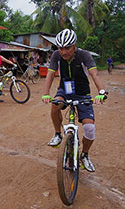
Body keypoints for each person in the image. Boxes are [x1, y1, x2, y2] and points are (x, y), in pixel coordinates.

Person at [41, 29, 107, 172]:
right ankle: (58, 134)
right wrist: (46, 93)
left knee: (90, 128)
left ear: (75, 45)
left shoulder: (84, 55)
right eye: (60, 48)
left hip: (83, 93)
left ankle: (85, 155)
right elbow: (50, 75)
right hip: (65, 90)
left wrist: (101, 92)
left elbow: (94, 74)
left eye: (67, 48)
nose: (64, 52)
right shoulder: (56, 56)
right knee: (55, 105)